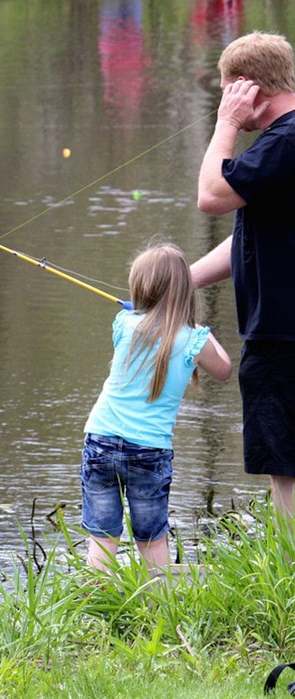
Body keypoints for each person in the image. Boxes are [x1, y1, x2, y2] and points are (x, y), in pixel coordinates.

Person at [192, 31, 295, 523]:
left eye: (229, 90)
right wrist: (182, 280)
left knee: (287, 468)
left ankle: (287, 576)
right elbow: (256, 237)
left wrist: (226, 124)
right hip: (280, 330)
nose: (226, 101)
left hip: (283, 335)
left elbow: (211, 194)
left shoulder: (284, 143)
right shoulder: (282, 150)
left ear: (247, 88)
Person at [81, 244, 232, 571]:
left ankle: (92, 611)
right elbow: (224, 370)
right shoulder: (195, 339)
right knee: (151, 538)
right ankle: (158, 608)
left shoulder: (124, 323)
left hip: (100, 439)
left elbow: (143, 326)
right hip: (149, 451)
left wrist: (141, 312)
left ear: (140, 289)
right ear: (185, 291)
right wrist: (201, 330)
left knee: (102, 536)